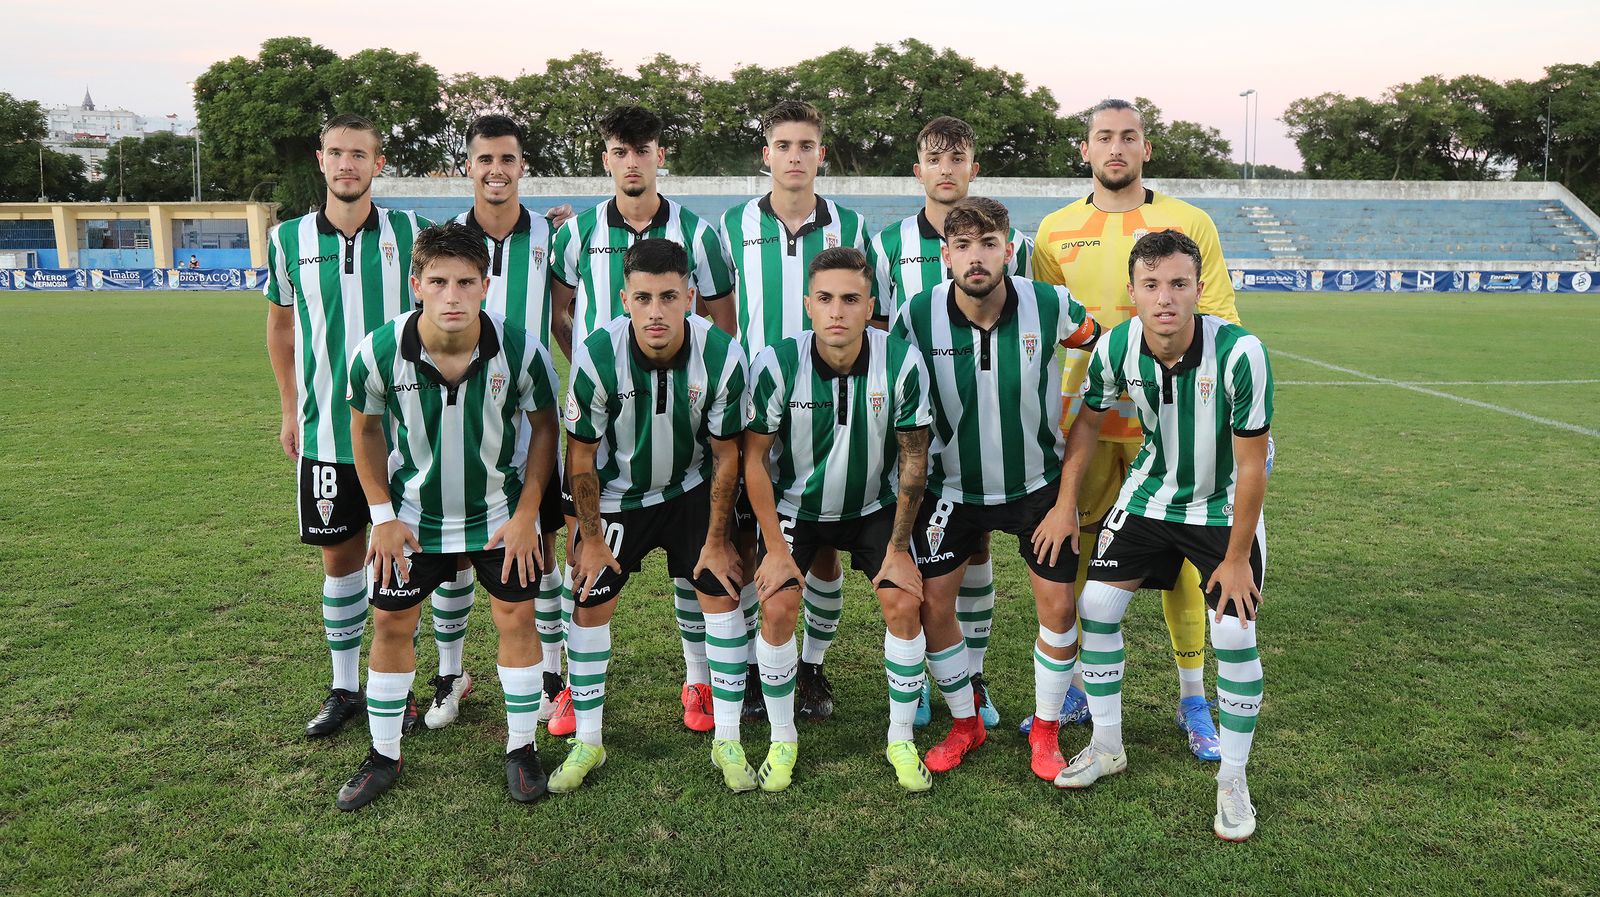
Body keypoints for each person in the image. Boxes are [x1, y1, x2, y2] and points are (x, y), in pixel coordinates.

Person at [1026, 98, 1245, 761]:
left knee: (1183, 566)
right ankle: (1081, 690)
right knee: (1085, 560)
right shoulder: (1054, 232)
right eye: (1103, 137)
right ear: (1085, 150)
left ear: (1146, 148)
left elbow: (1223, 320)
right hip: (1088, 428)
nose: (1115, 147)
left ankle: (1192, 696)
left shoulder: (1189, 221)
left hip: (1171, 429)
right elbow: (1044, 331)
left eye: (1129, 137)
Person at [1052, 231, 1271, 842]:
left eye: (1178, 284)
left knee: (1232, 629)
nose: (1165, 298)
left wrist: (1233, 559)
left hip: (1221, 505)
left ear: (1199, 289)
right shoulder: (1116, 346)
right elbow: (1088, 423)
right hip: (1150, 496)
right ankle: (1107, 745)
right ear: (1133, 293)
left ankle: (1233, 778)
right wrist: (1067, 504)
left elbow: (1252, 465)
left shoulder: (1241, 352)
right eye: (1151, 286)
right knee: (1094, 606)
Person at [334, 222, 561, 810]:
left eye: (465, 282)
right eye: (438, 282)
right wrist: (381, 515)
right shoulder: (378, 351)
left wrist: (528, 513)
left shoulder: (523, 349)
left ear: (486, 285)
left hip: (498, 515)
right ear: (416, 285)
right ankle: (384, 753)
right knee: (390, 626)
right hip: (413, 517)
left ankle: (520, 747)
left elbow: (543, 430)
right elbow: (365, 431)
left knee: (515, 618)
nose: (452, 296)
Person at [891, 197, 1101, 781]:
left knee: (1059, 607)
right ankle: (967, 722)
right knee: (933, 607)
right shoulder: (915, 315)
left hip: (1037, 486)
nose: (976, 258)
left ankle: (1047, 729)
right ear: (944, 254)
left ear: (1010, 250)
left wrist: (1066, 500)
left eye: (988, 244)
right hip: (950, 490)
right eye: (963, 246)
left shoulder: (1053, 304)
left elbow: (1106, 356)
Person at [549, 105, 737, 737]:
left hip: (685, 424)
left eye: (644, 149)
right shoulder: (574, 234)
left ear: (661, 155)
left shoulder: (700, 233)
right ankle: (577, 689)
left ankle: (699, 681)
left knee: (699, 569)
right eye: (620, 151)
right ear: (607, 158)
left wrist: (706, 388)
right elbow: (560, 309)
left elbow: (721, 317)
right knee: (590, 566)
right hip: (608, 426)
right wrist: (596, 373)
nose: (633, 161)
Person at [551, 238, 751, 793]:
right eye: (643, 298)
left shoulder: (722, 354)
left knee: (719, 586)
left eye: (668, 296)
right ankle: (587, 741)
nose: (656, 311)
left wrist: (716, 539)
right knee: (590, 599)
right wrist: (590, 539)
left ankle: (727, 737)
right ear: (625, 299)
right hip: (618, 493)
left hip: (691, 488)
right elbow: (582, 456)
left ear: (691, 296)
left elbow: (726, 455)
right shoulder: (595, 353)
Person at [743, 247, 934, 792]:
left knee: (903, 598)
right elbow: (753, 459)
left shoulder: (900, 360)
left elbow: (913, 457)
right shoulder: (778, 363)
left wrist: (898, 548)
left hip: (872, 507)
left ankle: (900, 737)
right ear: (808, 304)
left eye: (851, 299)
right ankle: (784, 738)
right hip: (796, 510)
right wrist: (776, 549)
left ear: (870, 304)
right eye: (825, 299)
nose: (837, 312)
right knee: (778, 604)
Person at [264, 113, 430, 739]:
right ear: (321, 159)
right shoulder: (288, 241)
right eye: (336, 153)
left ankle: (408, 685)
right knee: (340, 559)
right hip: (327, 430)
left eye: (360, 154)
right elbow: (281, 326)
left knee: (417, 559)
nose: (347, 165)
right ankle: (343, 687)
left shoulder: (413, 233)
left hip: (407, 434)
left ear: (378, 164)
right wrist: (288, 407)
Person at [870, 114, 1035, 729]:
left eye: (957, 157)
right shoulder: (889, 244)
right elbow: (881, 333)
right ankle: (914, 683)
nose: (946, 169)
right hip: (918, 433)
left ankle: (973, 677)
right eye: (934, 159)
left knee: (978, 549)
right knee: (920, 551)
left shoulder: (1007, 241)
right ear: (919, 171)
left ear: (974, 168)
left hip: (991, 428)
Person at [720, 99, 875, 723]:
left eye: (805, 146)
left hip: (831, 403)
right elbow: (719, 315)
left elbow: (873, 312)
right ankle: (761, 664)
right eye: (783, 146)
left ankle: (809, 663)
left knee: (824, 541)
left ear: (821, 155)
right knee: (752, 536)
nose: (794, 157)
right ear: (766, 155)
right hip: (760, 402)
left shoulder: (853, 227)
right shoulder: (730, 227)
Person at [432, 114, 569, 732]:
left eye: (507, 159)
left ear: (522, 166)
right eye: (484, 159)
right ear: (468, 165)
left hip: (530, 418)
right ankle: (451, 671)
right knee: (451, 550)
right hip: (455, 417)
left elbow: (567, 314)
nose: (495, 170)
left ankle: (553, 672)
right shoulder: (441, 236)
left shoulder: (554, 238)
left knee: (540, 546)